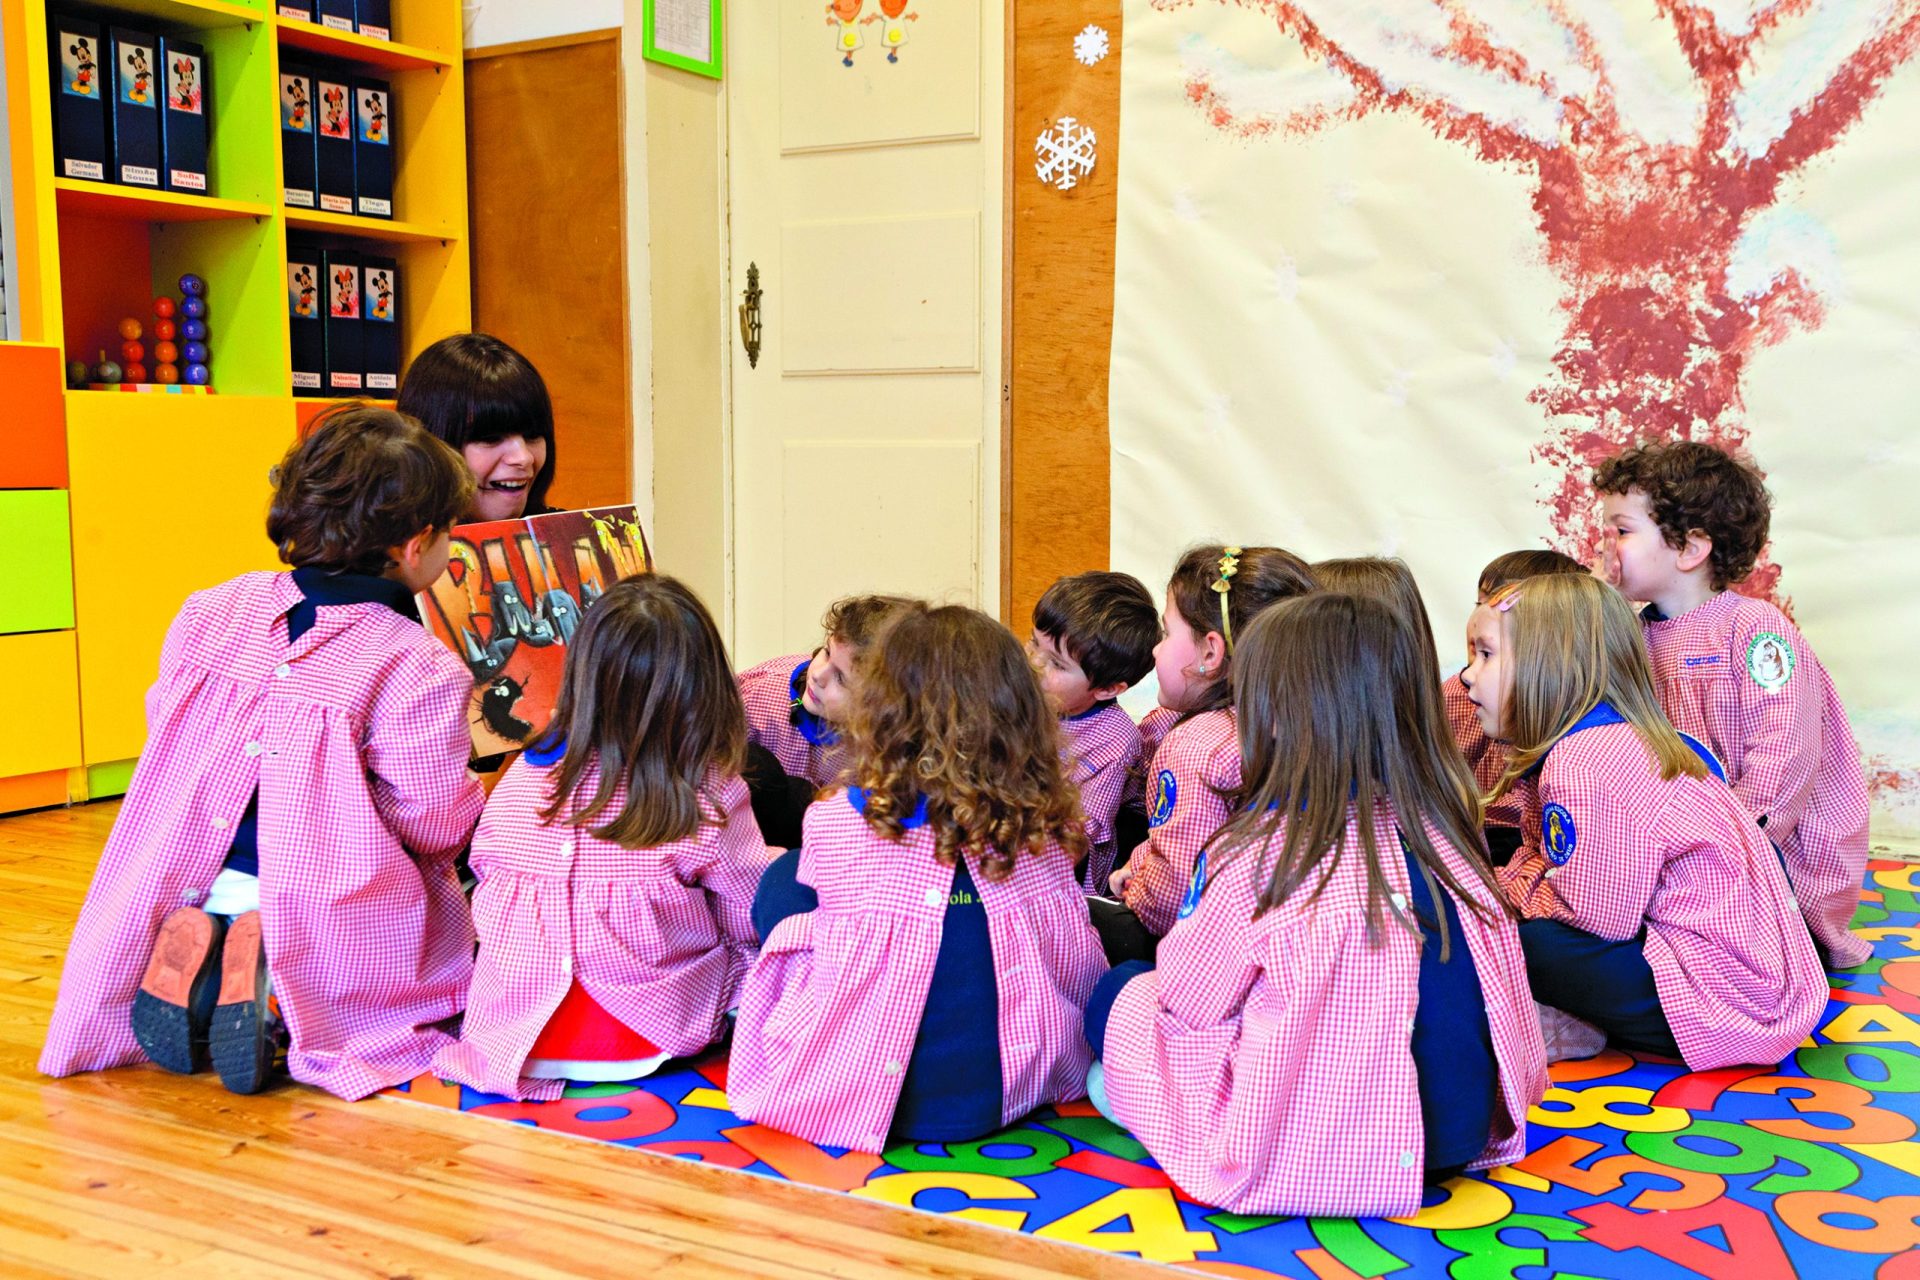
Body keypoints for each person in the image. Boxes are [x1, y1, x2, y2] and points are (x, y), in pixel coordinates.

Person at [41, 406, 484, 1097]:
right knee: (412, 950)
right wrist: (477, 797)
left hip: (183, 870)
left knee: (242, 905)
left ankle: (209, 950)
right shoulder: (415, 664)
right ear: (414, 543)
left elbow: (165, 728)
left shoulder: (212, 609)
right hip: (314, 901)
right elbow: (429, 820)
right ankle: (274, 992)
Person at [1086, 594, 1546, 1216]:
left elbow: (1188, 1002)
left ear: (1274, 717)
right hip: (1462, 1133)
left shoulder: (1260, 853)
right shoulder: (1447, 831)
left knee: (1121, 993)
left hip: (1345, 1151)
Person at [729, 604, 1107, 1153]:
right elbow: (1075, 962)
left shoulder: (835, 819)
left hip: (866, 1093)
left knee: (784, 885)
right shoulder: (1047, 827)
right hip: (1009, 1091)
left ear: (881, 715)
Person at [434, 575, 775, 1099]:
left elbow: (485, 869)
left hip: (514, 1028)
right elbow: (749, 911)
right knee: (770, 935)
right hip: (647, 1034)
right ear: (704, 687)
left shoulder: (527, 773)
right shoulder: (706, 790)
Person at [1467, 573, 1826, 1068]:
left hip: (1729, 1007)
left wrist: (1509, 894)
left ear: (1546, 667)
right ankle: (1573, 1019)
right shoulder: (1610, 738)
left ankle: (1567, 1021)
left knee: (1524, 942)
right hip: (1746, 978)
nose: (1467, 675)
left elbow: (1595, 920)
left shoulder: (1585, 764)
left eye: (1485, 655)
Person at [1594, 440, 1871, 967]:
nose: (1607, 546)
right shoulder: (1632, 635)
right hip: (1692, 845)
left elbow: (1783, 758)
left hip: (1773, 852)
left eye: (1622, 531)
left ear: (1690, 549)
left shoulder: (1755, 630)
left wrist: (1716, 846)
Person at [1095, 545, 1316, 962]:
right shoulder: (1307, 724)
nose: (1156, 650)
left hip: (1207, 949)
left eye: (1166, 633)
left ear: (1210, 653)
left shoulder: (1197, 746)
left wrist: (1134, 887)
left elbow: (1176, 890)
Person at [1437, 549, 1588, 864]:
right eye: (1479, 604)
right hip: (1470, 830)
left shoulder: (1576, 744)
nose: (1478, 621)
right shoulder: (1454, 693)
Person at [735, 593, 914, 847]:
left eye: (841, 678)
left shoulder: (893, 746)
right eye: (827, 652)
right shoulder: (756, 697)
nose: (818, 674)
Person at [1027, 571, 1158, 892]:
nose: (1033, 663)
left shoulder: (1116, 738)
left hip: (1063, 868)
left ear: (1107, 688)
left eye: (1056, 664)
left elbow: (1080, 836)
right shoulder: (1021, 693)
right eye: (1032, 642)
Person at [397, 332, 558, 522]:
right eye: (490, 438)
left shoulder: (574, 537)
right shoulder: (390, 549)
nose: (523, 458)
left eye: (533, 435)